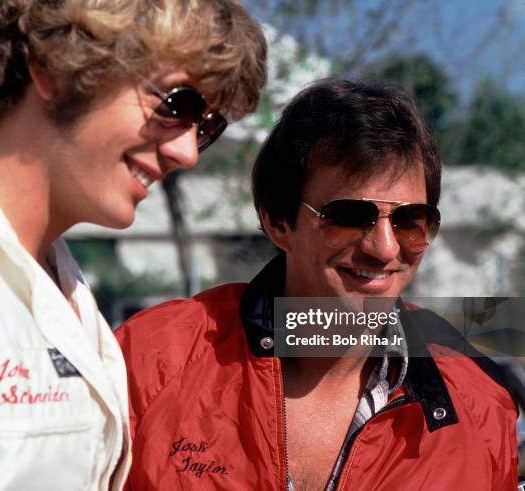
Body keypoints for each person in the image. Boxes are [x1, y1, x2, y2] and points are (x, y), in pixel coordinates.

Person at [0, 0, 266, 489]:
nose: (187, 152)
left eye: (205, 128)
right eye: (176, 104)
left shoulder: (68, 296)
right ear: (58, 67)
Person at [116, 79, 518, 490]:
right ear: (277, 222)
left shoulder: (480, 406)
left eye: (410, 221)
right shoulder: (147, 364)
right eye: (348, 217)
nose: (384, 248)